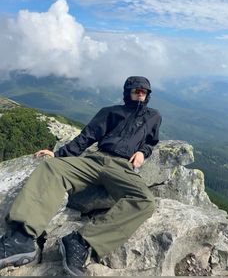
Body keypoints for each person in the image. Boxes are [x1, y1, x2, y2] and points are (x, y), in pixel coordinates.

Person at [0, 76, 162, 276]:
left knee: (145, 201)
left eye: (144, 91)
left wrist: (143, 152)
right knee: (51, 168)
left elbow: (151, 141)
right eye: (136, 89)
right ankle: (21, 238)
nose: (140, 93)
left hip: (122, 168)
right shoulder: (110, 112)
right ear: (127, 92)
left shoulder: (154, 116)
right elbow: (87, 136)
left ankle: (79, 242)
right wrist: (58, 155)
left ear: (147, 95)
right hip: (95, 160)